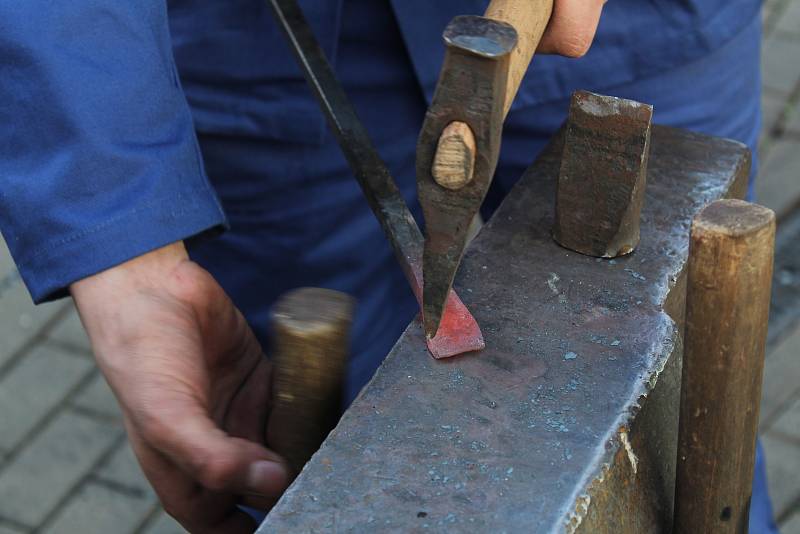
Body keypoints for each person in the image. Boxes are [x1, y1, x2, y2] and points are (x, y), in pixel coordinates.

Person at [0, 1, 777, 532]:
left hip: (631, 29)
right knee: (312, 443)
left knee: (674, 406)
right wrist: (120, 237)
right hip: (260, 34)